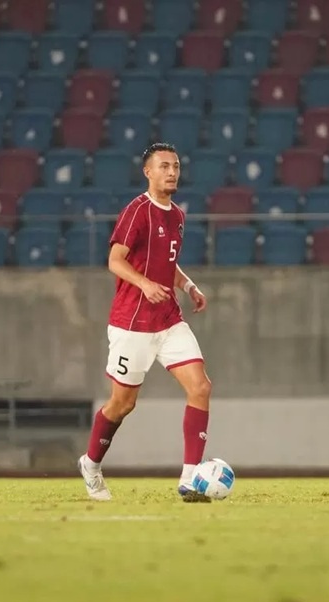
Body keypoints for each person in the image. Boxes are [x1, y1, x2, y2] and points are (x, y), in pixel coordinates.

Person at [78, 142, 214, 503]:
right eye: (164, 166)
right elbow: (115, 260)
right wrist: (144, 284)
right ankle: (91, 464)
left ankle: (190, 479)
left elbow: (167, 262)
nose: (172, 172)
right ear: (148, 172)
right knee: (122, 404)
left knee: (200, 387)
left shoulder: (178, 216)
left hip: (168, 320)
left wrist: (187, 285)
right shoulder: (136, 212)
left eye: (176, 166)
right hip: (132, 324)